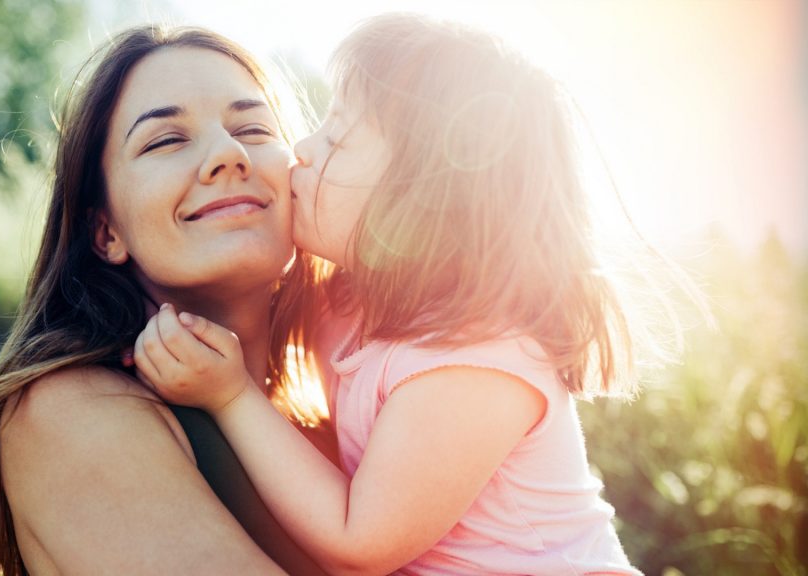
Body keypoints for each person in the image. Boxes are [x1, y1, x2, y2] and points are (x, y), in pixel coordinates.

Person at [134, 13, 676, 576]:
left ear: (423, 201)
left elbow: (359, 544)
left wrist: (229, 396)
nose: (304, 149)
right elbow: (244, 302)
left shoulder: (477, 355)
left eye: (338, 138)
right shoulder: (349, 301)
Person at [0, 24, 331, 576]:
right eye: (166, 140)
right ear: (105, 230)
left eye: (253, 128)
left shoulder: (339, 419)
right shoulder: (69, 409)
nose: (229, 155)